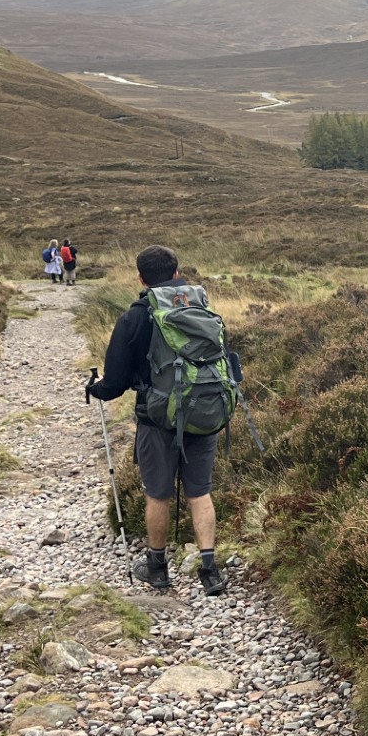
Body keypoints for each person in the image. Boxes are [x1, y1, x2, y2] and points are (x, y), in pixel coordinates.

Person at [86, 245, 227, 596]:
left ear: (141, 278)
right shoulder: (200, 306)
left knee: (158, 494)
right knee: (200, 492)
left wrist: (97, 389)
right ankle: (210, 572)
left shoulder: (136, 315)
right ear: (177, 273)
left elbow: (116, 382)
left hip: (157, 417)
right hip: (204, 412)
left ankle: (158, 567)